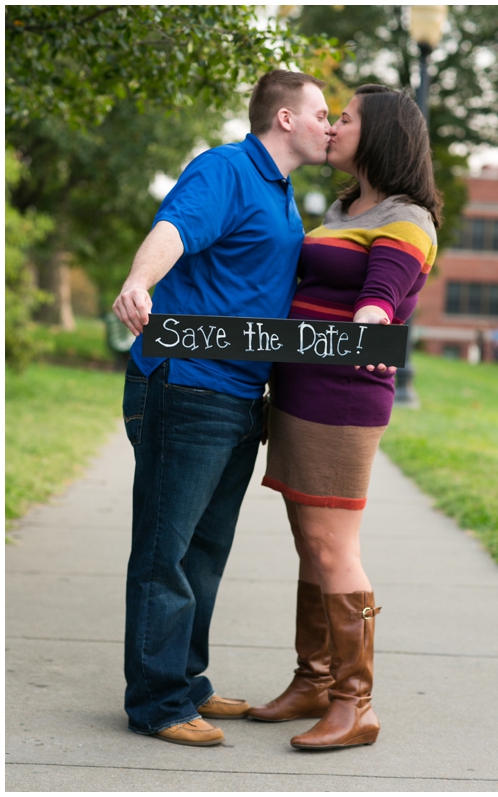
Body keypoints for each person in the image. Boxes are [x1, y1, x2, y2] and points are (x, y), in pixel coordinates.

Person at [112, 70, 332, 746]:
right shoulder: (228, 168)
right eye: (322, 112)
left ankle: (187, 683)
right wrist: (138, 281)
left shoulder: (284, 196)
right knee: (165, 550)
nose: (331, 124)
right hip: (187, 386)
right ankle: (157, 700)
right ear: (286, 118)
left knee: (204, 553)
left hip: (240, 397)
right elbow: (175, 227)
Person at [246, 84, 441, 751]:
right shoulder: (342, 208)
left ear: (380, 133)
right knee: (311, 543)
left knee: (335, 548)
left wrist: (368, 324)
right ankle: (315, 678)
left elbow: (381, 296)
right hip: (301, 392)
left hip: (342, 398)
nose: (332, 128)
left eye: (346, 119)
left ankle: (356, 701)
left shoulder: (406, 216)